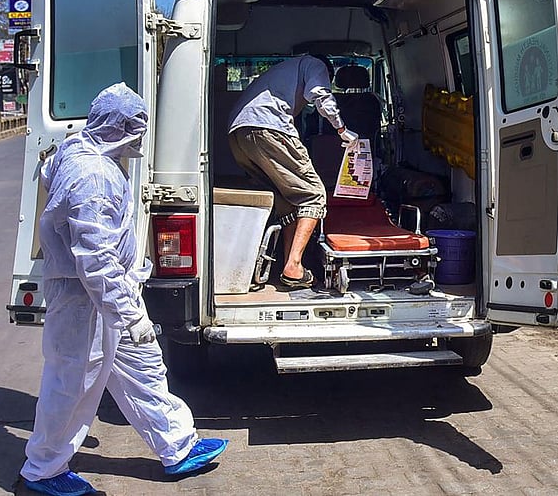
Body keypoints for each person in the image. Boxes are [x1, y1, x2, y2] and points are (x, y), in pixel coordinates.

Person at [20, 83, 228, 496]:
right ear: (121, 128)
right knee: (72, 381)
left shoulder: (79, 147)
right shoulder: (91, 177)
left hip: (111, 294)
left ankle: (177, 445)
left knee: (143, 369)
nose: (140, 140)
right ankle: (42, 470)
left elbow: (48, 178)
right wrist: (129, 315)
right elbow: (94, 259)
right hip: (85, 297)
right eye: (137, 130)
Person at [228, 54, 358, 289]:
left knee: (287, 200)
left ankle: (289, 268)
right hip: (269, 128)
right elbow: (320, 95)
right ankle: (294, 265)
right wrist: (341, 129)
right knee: (314, 194)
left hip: (239, 135)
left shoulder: (283, 72)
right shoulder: (315, 64)